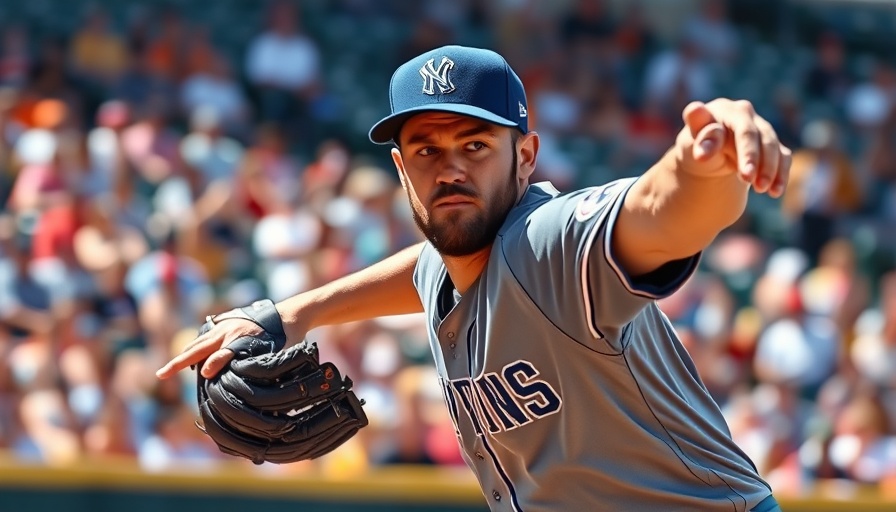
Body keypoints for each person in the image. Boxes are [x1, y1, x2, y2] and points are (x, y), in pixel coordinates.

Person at [157, 45, 790, 511]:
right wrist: (292, 313)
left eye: (476, 145)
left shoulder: (552, 244)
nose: (450, 169)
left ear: (525, 156)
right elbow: (427, 267)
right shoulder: (452, 263)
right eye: (428, 149)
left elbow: (659, 214)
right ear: (403, 169)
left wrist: (702, 168)